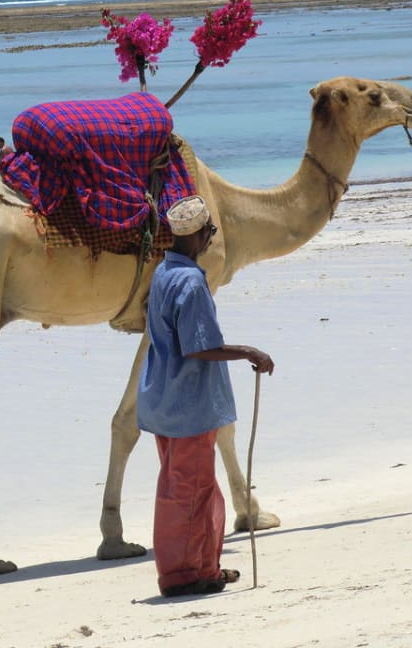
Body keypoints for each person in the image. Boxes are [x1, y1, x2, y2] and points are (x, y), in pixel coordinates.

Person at [137, 194, 275, 598]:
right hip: (188, 405)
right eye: (210, 232)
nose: (210, 238)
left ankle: (204, 565)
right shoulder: (191, 281)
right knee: (187, 491)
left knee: (197, 487)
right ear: (197, 234)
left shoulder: (164, 271)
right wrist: (250, 352)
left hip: (165, 399)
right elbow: (197, 347)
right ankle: (180, 575)